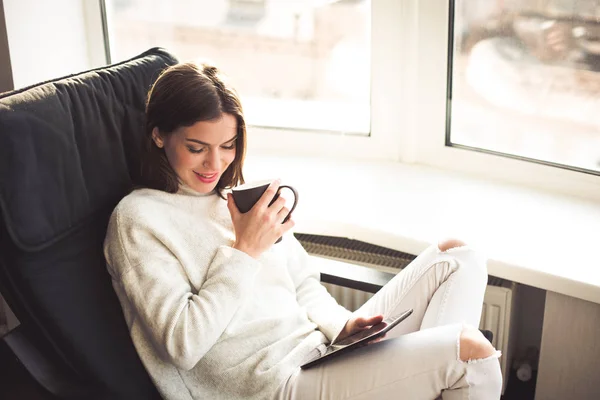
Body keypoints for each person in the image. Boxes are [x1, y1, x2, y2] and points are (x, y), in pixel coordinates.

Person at [103, 62, 503, 400]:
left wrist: (342, 325)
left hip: (322, 350)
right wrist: (244, 252)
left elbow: (303, 283)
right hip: (275, 385)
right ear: (158, 135)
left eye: (227, 145)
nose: (215, 163)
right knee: (470, 352)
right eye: (196, 147)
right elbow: (182, 344)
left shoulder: (239, 199)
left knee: (458, 256)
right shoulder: (138, 219)